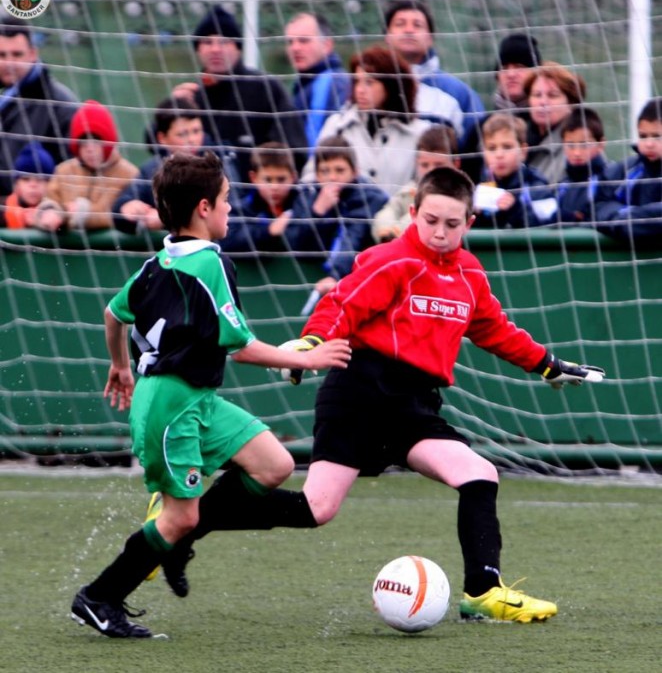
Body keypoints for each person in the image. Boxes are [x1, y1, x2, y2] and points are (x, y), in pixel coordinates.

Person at [153, 165, 604, 623]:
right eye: (430, 220)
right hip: (360, 394)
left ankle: (483, 593)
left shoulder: (470, 273)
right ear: (413, 212)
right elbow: (341, 305)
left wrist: (547, 364)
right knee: (317, 508)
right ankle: (184, 522)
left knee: (479, 474)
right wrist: (310, 344)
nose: (440, 232)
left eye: (452, 224)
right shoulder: (392, 259)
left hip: (414, 405)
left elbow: (495, 330)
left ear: (469, 223)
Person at [70, 151, 351, 639]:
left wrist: (120, 365)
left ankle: (182, 536)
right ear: (204, 208)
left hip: (195, 397)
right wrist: (309, 359)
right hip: (170, 407)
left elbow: (113, 315)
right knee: (180, 516)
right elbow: (241, 348)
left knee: (274, 465)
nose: (230, 208)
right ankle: (99, 597)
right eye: (225, 199)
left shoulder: (156, 263)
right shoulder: (211, 263)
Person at [172, 5, 307, 184]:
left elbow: (295, 148)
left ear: (238, 47)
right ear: (198, 49)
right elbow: (157, 143)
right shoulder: (191, 96)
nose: (215, 49)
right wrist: (174, 109)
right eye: (207, 42)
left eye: (224, 42)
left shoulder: (265, 88)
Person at [303, 44, 432, 195]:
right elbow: (310, 177)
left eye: (369, 82)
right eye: (357, 81)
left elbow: (426, 187)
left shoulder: (420, 133)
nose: (360, 90)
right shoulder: (337, 126)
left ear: (391, 86)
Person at [111, 96, 236, 235]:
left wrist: (166, 219)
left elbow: (234, 214)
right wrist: (127, 208)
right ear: (162, 138)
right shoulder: (152, 169)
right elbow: (122, 205)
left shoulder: (221, 163)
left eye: (196, 131)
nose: (192, 139)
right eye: (182, 134)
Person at [286, 136, 388, 297]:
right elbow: (296, 243)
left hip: (359, 285)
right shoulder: (307, 195)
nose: (332, 177)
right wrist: (317, 212)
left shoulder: (371, 198)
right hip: (307, 279)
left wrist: (335, 275)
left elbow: (353, 237)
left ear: (355, 171)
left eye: (339, 170)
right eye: (325, 171)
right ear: (316, 175)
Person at [383, 0, 484, 147]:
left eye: (417, 25)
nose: (409, 30)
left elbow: (477, 149)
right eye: (400, 24)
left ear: (430, 38)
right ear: (387, 36)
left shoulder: (459, 94)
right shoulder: (368, 87)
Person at [0, 19, 79, 195]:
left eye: (17, 54)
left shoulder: (60, 106)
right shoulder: (6, 97)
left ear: (33, 54)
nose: (9, 63)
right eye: (2, 55)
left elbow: (72, 173)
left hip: (32, 207)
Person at [44, 100, 139, 231]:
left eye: (96, 142)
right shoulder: (64, 171)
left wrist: (82, 212)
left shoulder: (129, 174)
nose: (90, 149)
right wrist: (50, 213)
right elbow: (49, 200)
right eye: (83, 143)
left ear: (108, 142)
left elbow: (123, 216)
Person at [461, 33, 541, 182]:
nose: (511, 74)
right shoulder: (479, 129)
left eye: (519, 67)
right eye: (504, 67)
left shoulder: (543, 125)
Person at [372, 124, 459, 243]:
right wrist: (385, 228)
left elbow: (424, 216)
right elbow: (391, 208)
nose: (430, 171)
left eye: (439, 165)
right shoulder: (411, 189)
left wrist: (397, 232)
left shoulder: (459, 194)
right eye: (424, 165)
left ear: (456, 164)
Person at [594, 97, 662, 246]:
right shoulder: (626, 170)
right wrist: (624, 219)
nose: (649, 144)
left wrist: (630, 217)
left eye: (657, 136)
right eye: (643, 136)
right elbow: (600, 205)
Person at [473, 113, 554, 229]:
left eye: (507, 147)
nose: (499, 155)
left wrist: (515, 209)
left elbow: (547, 229)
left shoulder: (536, 186)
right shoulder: (481, 188)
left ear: (523, 151)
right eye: (492, 148)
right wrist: (475, 214)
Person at [285, 12, 351, 153]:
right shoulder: (304, 83)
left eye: (304, 41)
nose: (295, 48)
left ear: (327, 45)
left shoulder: (334, 83)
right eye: (290, 42)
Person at [222, 141, 300, 253]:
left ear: (293, 177)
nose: (274, 187)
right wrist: (268, 231)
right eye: (267, 180)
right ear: (253, 178)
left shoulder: (302, 204)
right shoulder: (241, 209)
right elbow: (229, 241)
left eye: (281, 179)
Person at [523, 61, 586, 185]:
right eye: (537, 95)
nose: (543, 102)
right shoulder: (518, 139)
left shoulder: (580, 148)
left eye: (552, 96)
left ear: (571, 104)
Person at [553, 106, 614, 224]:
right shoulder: (562, 186)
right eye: (570, 145)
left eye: (584, 145)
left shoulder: (609, 180)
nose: (576, 153)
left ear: (601, 144)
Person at [0, 141, 61, 230]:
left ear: (48, 184)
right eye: (26, 179)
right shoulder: (2, 209)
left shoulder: (54, 210)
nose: (33, 185)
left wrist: (52, 218)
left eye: (40, 179)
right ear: (17, 184)